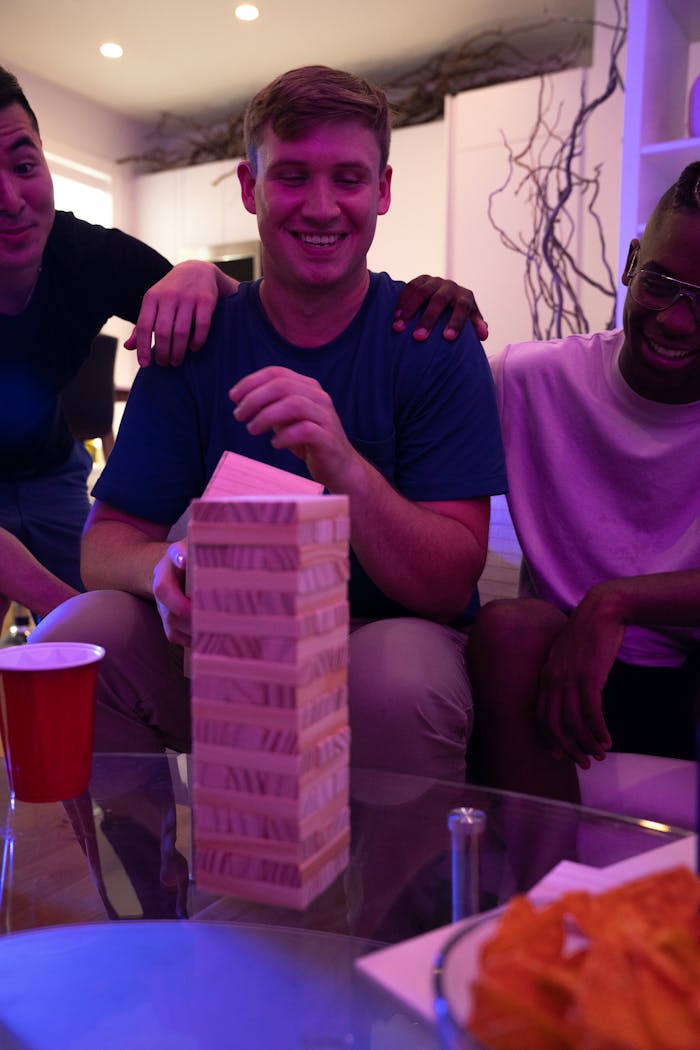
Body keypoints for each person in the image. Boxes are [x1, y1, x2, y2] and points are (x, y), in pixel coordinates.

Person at [33, 64, 506, 785]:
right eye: (291, 177)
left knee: (397, 679)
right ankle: (140, 883)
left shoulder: (431, 341)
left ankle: (391, 901)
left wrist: (343, 466)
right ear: (251, 189)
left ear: (381, 190)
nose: (321, 207)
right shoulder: (192, 339)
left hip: (378, 641)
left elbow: (449, 582)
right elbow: (104, 548)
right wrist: (161, 569)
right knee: (80, 633)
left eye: (348, 179)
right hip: (222, 648)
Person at [467, 161, 700, 803]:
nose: (678, 321)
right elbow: (398, 407)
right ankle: (540, 895)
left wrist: (617, 600)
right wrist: (429, 325)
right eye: (660, 282)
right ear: (630, 264)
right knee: (510, 628)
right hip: (552, 671)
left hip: (685, 677)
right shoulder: (530, 380)